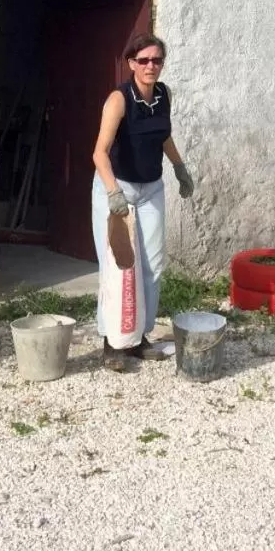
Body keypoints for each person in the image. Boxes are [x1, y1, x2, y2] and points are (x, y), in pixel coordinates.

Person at [91, 34, 194, 371]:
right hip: (117, 186)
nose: (151, 66)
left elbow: (162, 133)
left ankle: (139, 338)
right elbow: (100, 153)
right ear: (131, 63)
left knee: (151, 265)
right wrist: (113, 193)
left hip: (151, 187)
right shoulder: (119, 100)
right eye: (144, 60)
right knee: (119, 267)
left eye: (157, 60)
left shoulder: (163, 95)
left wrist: (179, 167)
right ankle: (112, 344)